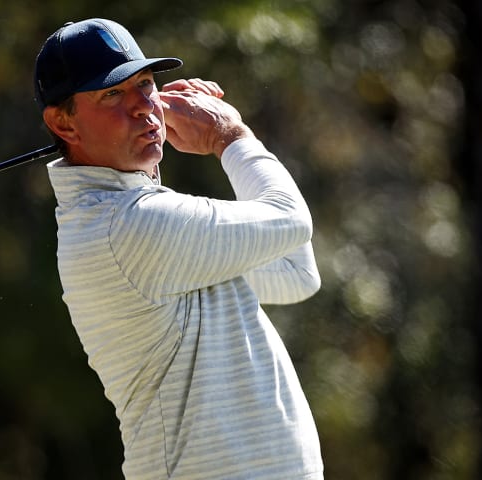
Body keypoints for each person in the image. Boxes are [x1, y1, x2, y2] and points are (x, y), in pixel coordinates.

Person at [33, 18, 323, 480]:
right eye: (112, 94)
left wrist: (212, 139)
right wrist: (230, 138)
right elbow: (292, 220)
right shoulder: (125, 226)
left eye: (145, 85)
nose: (143, 108)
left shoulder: (137, 216)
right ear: (63, 121)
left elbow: (295, 271)